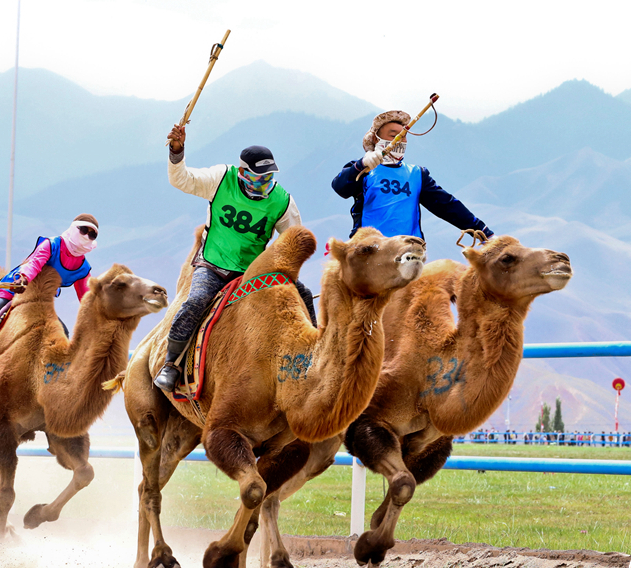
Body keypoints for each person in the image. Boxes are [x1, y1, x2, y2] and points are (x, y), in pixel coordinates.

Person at [153, 124, 317, 392]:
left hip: (253, 273)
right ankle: (171, 364)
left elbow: (292, 240)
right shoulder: (221, 178)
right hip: (213, 264)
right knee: (195, 302)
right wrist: (177, 149)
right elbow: (182, 180)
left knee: (305, 294)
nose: (264, 182)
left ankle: (313, 358)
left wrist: (283, 268)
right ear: (242, 172)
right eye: (258, 177)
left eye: (269, 177)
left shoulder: (282, 201)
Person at [0, 214, 99, 391]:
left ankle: (57, 381)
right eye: (83, 230)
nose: (86, 236)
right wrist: (24, 278)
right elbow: (34, 263)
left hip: (40, 300)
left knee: (63, 332)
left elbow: (87, 297)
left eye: (92, 234)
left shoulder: (83, 267)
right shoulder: (51, 245)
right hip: (17, 289)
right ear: (74, 228)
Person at [331, 110, 494, 241]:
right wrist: (360, 165)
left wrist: (483, 232)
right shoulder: (363, 170)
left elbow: (447, 205)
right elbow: (340, 187)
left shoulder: (417, 174)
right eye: (393, 135)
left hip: (408, 249)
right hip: (369, 248)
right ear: (376, 138)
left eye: (404, 136)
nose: (400, 140)